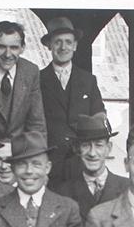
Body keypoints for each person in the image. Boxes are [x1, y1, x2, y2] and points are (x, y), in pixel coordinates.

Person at [39, 17, 105, 183]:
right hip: (50, 161)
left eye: (68, 42)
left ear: (75, 46)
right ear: (49, 46)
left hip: (83, 161)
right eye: (58, 42)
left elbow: (99, 114)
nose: (63, 47)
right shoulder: (38, 80)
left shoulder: (89, 80)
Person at [0, 21, 46, 141]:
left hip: (20, 152)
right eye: (1, 47)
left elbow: (36, 123)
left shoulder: (31, 71)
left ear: (22, 48)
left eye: (14, 47)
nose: (8, 54)